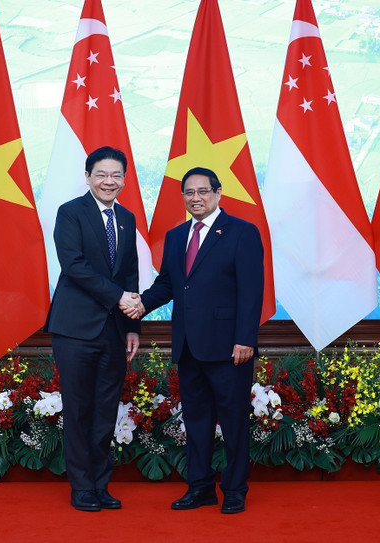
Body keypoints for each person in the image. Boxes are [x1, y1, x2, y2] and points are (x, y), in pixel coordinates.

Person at [123, 166, 263, 514]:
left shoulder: (242, 232)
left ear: (218, 193)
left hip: (230, 348)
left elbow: (252, 290)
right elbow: (168, 285)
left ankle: (235, 489)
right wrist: (139, 306)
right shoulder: (176, 236)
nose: (196, 198)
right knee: (196, 421)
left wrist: (245, 339)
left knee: (233, 422)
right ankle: (200, 487)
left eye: (203, 191)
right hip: (188, 347)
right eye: (189, 192)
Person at [45, 146, 141, 512]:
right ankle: (82, 487)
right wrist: (118, 297)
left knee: (105, 411)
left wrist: (132, 326)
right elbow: (74, 266)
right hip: (74, 329)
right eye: (101, 174)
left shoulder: (127, 218)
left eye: (116, 175)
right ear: (88, 177)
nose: (109, 181)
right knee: (79, 409)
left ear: (124, 179)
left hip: (114, 331)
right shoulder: (70, 213)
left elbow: (129, 272)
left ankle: (101, 485)